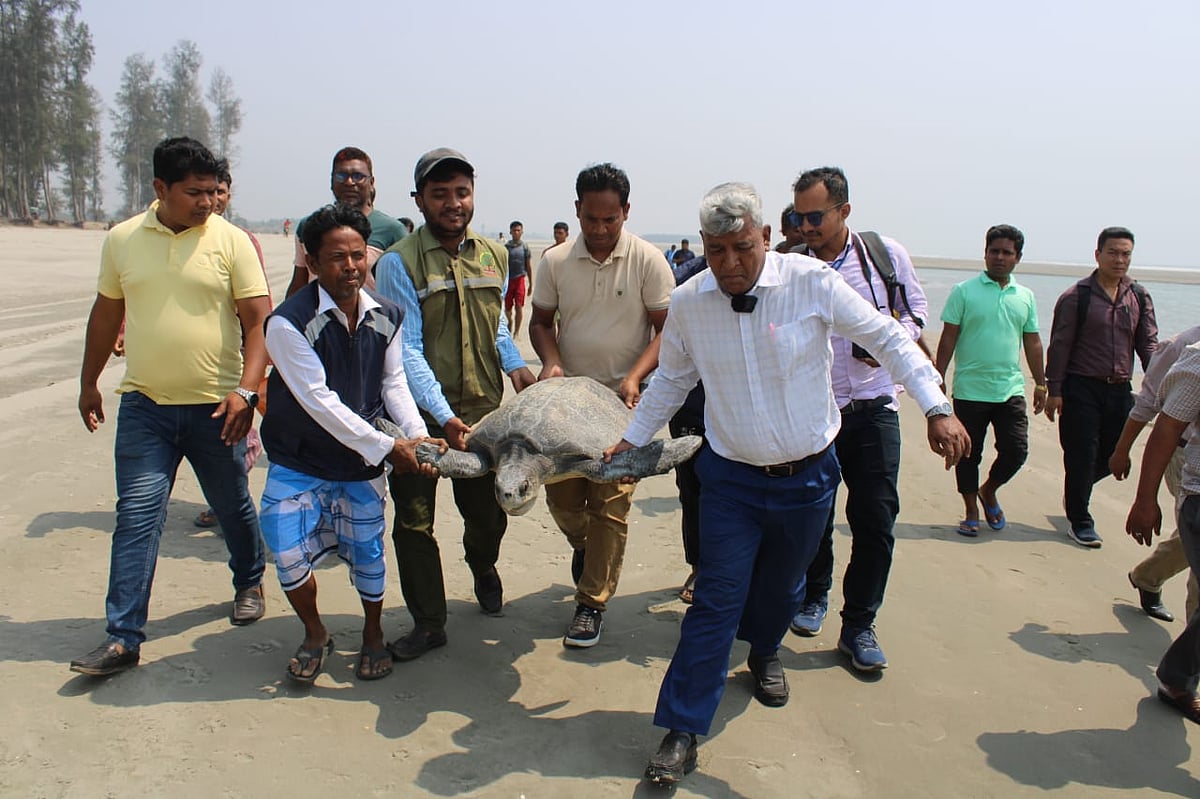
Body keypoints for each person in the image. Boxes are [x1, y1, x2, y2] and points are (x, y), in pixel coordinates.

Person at [602, 183, 968, 785]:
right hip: (729, 480)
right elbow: (671, 379)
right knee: (716, 598)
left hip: (808, 478)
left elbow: (887, 337)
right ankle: (682, 728)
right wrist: (634, 439)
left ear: (766, 238)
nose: (730, 264)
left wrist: (935, 405)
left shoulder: (811, 282)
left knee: (782, 588)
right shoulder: (692, 300)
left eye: (742, 248)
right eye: (716, 251)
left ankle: (766, 650)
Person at [72, 137, 270, 677]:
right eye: (194, 192)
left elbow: (258, 323)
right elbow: (105, 315)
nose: (207, 202)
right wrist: (89, 382)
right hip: (146, 408)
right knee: (136, 517)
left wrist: (248, 391)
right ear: (160, 189)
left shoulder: (231, 242)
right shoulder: (122, 240)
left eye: (212, 191)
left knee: (231, 505)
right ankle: (123, 637)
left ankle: (249, 579)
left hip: (216, 408)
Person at [260, 203, 444, 683]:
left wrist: (418, 437)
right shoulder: (287, 325)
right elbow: (318, 402)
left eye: (359, 256)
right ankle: (315, 632)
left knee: (368, 554)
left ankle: (373, 634)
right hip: (299, 458)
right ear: (313, 262)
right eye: (337, 258)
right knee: (285, 548)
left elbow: (394, 384)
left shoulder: (389, 314)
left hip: (360, 467)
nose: (350, 267)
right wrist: (390, 449)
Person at [375, 148, 537, 662]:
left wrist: (515, 367)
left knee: (488, 516)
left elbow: (498, 326)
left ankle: (482, 564)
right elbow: (408, 351)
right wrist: (442, 416)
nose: (452, 203)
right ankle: (428, 621)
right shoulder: (397, 263)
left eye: (461, 192)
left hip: (486, 417)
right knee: (414, 523)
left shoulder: (492, 253)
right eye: (439, 194)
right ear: (419, 200)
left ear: (473, 195)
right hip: (418, 419)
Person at [786, 166, 931, 672]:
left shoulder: (884, 256)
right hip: (812, 412)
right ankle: (814, 596)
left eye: (815, 216)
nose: (805, 227)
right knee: (812, 516)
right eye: (799, 217)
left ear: (844, 210)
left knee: (875, 519)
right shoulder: (790, 266)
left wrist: (892, 337)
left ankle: (859, 625)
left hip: (873, 408)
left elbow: (915, 313)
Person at [529, 162, 674, 648]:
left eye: (610, 220)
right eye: (591, 219)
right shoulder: (553, 262)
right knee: (563, 499)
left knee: (610, 504)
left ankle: (592, 603)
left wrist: (636, 376)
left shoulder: (649, 261)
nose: (599, 229)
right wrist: (550, 361)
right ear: (577, 210)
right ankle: (583, 546)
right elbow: (541, 322)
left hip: (619, 404)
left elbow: (666, 330)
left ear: (626, 212)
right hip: (565, 406)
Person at [1045, 227, 1157, 548]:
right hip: (1081, 388)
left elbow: (1147, 344)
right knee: (1081, 454)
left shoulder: (1138, 295)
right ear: (1098, 255)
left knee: (1112, 455)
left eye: (1126, 254)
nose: (1120, 260)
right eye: (1113, 253)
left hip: (1121, 389)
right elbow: (1060, 345)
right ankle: (1080, 521)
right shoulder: (1076, 297)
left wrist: (1159, 383)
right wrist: (1055, 390)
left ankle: (1076, 493)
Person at [934, 224, 1046, 536]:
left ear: (1017, 258)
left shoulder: (1025, 297)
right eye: (993, 251)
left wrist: (1041, 382)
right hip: (970, 389)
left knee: (1016, 450)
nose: (999, 257)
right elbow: (948, 339)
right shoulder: (964, 292)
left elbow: (1033, 341)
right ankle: (971, 509)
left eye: (1006, 253)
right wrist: (937, 378)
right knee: (968, 453)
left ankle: (989, 490)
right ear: (985, 254)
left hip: (1010, 388)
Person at [1125, 342, 1200, 725]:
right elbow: (1165, 424)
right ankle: (1180, 679)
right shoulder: (1196, 353)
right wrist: (1144, 499)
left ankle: (1177, 676)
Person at [192, 159, 269, 529]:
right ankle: (224, 504)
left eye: (219, 192)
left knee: (234, 434)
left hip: (235, 353)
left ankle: (231, 507)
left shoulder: (241, 241)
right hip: (196, 362)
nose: (213, 200)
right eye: (206, 192)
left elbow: (257, 306)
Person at [1112, 325, 1200, 621]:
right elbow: (1151, 405)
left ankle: (1148, 575)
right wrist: (1122, 450)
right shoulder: (1184, 347)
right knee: (1193, 532)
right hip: (1183, 455)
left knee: (1190, 537)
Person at [285, 146, 408, 298]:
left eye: (358, 176)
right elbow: (299, 283)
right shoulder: (309, 227)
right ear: (331, 181)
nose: (349, 182)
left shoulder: (392, 231)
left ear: (371, 183)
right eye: (341, 176)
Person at [504, 220, 533, 335]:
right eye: (514, 230)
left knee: (519, 306)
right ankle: (510, 321)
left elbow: (529, 266)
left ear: (522, 232)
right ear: (510, 232)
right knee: (507, 309)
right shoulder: (506, 248)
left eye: (518, 230)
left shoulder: (525, 247)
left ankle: (516, 332)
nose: (516, 232)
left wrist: (531, 284)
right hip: (508, 280)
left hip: (520, 279)